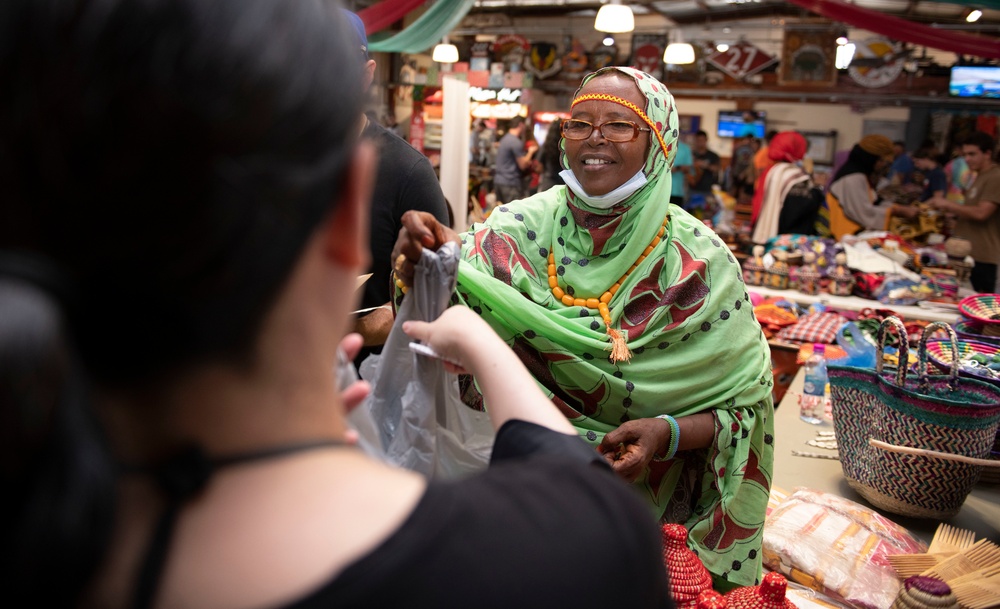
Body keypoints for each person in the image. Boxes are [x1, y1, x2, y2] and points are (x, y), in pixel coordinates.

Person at [0, 2, 674, 608]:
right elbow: (579, 487)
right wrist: (476, 338)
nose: (595, 141)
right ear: (350, 206)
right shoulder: (557, 559)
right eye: (583, 124)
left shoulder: (46, 533)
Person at [393, 66, 775, 591]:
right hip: (514, 506)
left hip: (641, 524)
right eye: (579, 124)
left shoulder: (699, 264)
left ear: (659, 140)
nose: (594, 139)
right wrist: (422, 267)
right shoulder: (517, 229)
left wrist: (666, 434)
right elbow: (442, 317)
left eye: (620, 125)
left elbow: (746, 408)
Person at [344, 10, 450, 366]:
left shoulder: (408, 172)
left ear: (366, 74)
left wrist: (345, 331)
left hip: (367, 385)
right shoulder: (269, 159)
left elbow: (438, 297)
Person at [930, 132, 1000, 293]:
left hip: (982, 256)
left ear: (988, 153)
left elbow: (982, 213)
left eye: (972, 154)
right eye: (965, 155)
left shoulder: (995, 177)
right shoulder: (980, 176)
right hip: (966, 254)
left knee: (980, 305)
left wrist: (948, 204)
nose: (967, 159)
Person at [825, 134, 918, 239]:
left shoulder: (861, 175)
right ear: (870, 159)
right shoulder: (853, 178)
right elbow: (864, 213)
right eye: (881, 161)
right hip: (843, 237)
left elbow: (875, 201)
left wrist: (897, 207)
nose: (882, 165)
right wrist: (898, 211)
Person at [750, 131, 823, 243]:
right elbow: (802, 207)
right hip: (787, 237)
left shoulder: (773, 170)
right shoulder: (794, 175)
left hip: (768, 232)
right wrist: (816, 187)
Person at [493, 116, 538, 204]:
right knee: (512, 214)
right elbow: (523, 165)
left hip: (499, 181)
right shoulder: (515, 142)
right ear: (521, 125)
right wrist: (530, 152)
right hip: (510, 183)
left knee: (501, 212)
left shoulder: (505, 139)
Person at [536, 119, 566, 193]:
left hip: (549, 182)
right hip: (564, 182)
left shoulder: (546, 145)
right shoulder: (566, 146)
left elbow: (538, 166)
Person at [670, 139, 694, 206]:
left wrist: (677, 168)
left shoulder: (685, 148)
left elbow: (688, 168)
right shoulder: (662, 145)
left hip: (678, 191)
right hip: (661, 191)